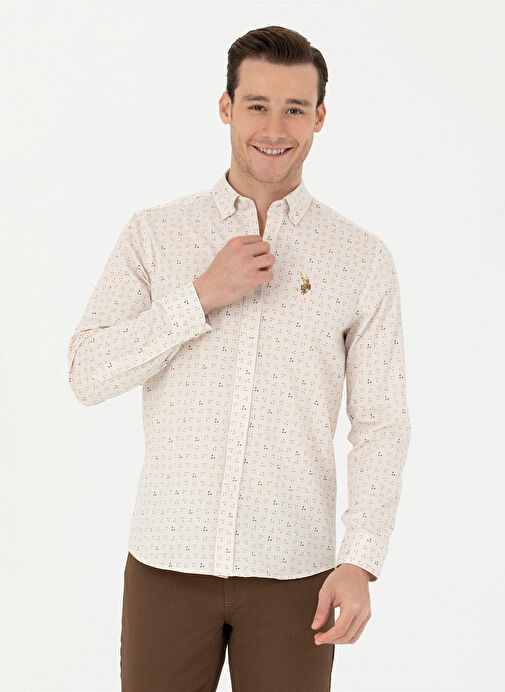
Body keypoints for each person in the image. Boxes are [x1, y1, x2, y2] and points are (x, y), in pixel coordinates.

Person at [67, 24, 411, 692]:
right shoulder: (155, 234)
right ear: (226, 107)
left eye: (294, 109)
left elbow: (382, 423)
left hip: (296, 574)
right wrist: (198, 297)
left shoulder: (360, 258)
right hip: (166, 562)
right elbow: (86, 372)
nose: (274, 128)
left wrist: (360, 560)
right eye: (257, 105)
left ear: (319, 117)